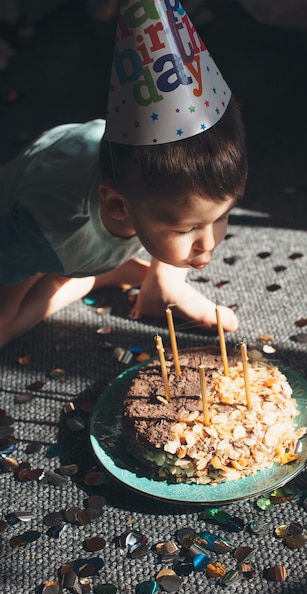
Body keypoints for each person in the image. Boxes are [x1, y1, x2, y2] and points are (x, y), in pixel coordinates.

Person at [0, 1, 248, 349]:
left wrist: (181, 234)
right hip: (26, 245)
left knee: (168, 217)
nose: (208, 246)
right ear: (117, 204)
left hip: (126, 202)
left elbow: (177, 204)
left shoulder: (152, 187)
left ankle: (160, 284)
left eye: (222, 216)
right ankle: (92, 277)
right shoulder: (47, 225)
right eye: (188, 228)